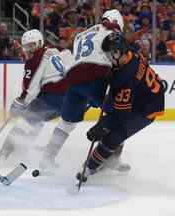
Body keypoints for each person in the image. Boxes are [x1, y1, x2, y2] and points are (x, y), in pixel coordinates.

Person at [38, 9, 131, 173]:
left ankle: (47, 158)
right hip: (96, 78)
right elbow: (117, 59)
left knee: (66, 123)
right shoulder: (113, 32)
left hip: (74, 81)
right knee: (118, 117)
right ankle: (112, 159)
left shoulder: (82, 34)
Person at [77, 32, 165, 181]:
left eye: (110, 54)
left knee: (113, 136)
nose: (108, 58)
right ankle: (111, 158)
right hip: (140, 94)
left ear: (118, 52)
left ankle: (90, 167)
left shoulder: (124, 77)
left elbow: (121, 114)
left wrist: (101, 125)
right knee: (111, 123)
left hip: (147, 107)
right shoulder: (130, 53)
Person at [0, 29, 73, 167]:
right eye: (26, 46)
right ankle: (22, 153)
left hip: (50, 99)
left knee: (22, 124)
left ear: (38, 43)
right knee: (35, 123)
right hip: (65, 101)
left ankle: (3, 154)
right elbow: (66, 53)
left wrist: (19, 102)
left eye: (31, 45)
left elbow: (29, 89)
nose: (28, 49)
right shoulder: (53, 50)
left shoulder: (33, 61)